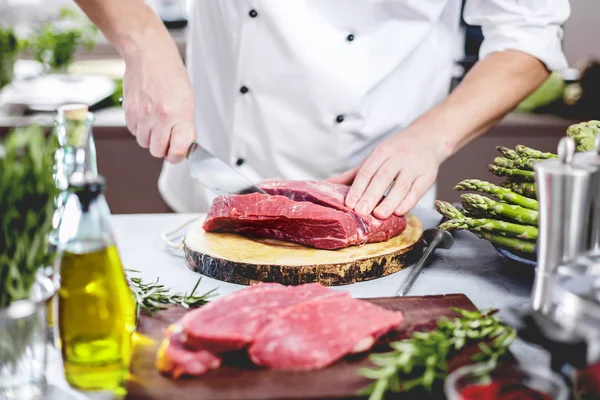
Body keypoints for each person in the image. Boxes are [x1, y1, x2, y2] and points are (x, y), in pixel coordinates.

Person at [74, 0, 569, 218]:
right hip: (210, 180)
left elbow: (527, 33)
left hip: (371, 193)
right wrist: (143, 44)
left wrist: (430, 137)